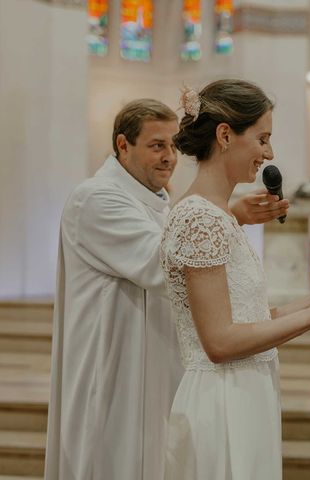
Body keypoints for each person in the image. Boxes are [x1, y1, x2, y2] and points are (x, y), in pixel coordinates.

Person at [45, 98, 290, 480]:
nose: (169, 157)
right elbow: (162, 265)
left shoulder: (163, 204)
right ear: (123, 145)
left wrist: (224, 218)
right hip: (112, 367)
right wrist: (227, 217)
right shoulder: (95, 198)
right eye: (157, 145)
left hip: (158, 364)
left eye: (174, 146)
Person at [159, 79, 310, 480]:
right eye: (262, 138)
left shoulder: (218, 215)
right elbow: (220, 342)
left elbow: (252, 315)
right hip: (221, 400)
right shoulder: (200, 218)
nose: (269, 153)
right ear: (224, 135)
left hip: (244, 392)